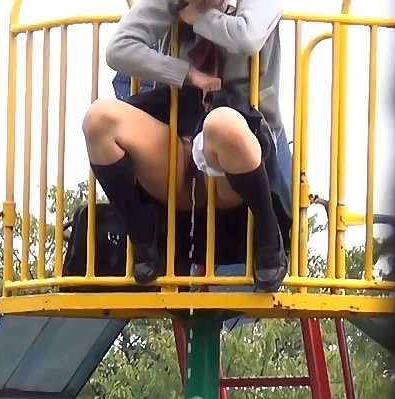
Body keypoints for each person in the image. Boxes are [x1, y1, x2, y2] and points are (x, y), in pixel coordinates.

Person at [83, 0, 291, 292]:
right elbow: (118, 49)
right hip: (180, 137)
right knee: (99, 118)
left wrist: (199, 19)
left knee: (221, 124)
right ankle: (144, 236)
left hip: (237, 147)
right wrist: (186, 73)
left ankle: (269, 235)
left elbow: (247, 38)